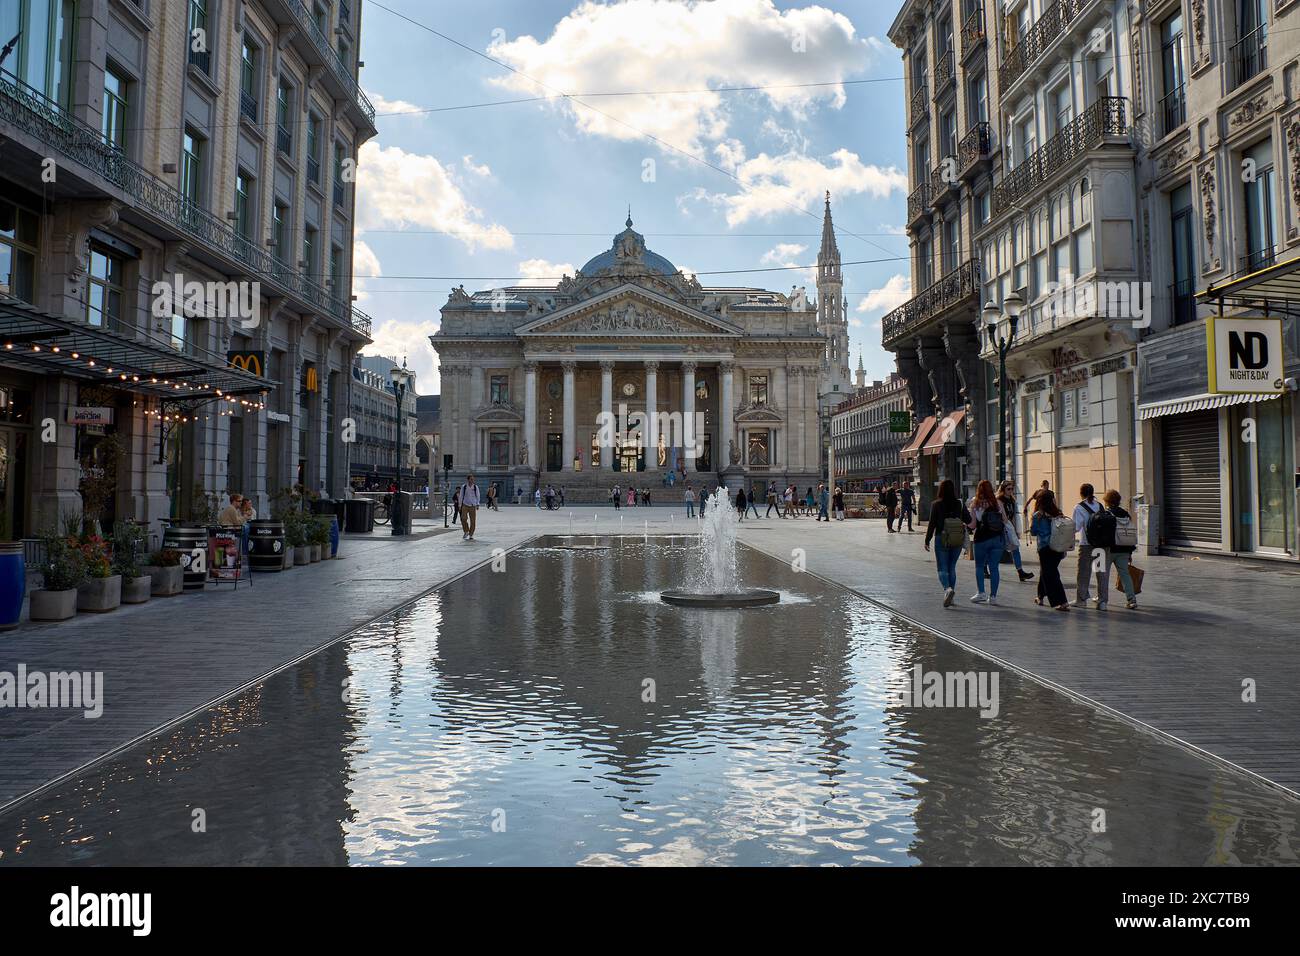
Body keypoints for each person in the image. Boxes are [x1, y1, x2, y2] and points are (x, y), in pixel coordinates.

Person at [924, 478, 972, 608]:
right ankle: (951, 596)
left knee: (942, 567)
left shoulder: (936, 504)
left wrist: (927, 539)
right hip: (957, 538)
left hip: (942, 538)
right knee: (952, 567)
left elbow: (932, 524)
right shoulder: (959, 504)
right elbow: (969, 520)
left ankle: (947, 589)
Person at [1029, 490, 1071, 611]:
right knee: (1046, 571)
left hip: (1045, 548)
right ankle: (1040, 596)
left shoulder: (1038, 515)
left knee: (1050, 574)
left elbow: (1033, 532)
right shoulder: (1058, 513)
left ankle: (1061, 601)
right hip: (1058, 547)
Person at [1073, 483, 1112, 609]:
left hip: (1086, 545)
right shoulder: (1100, 506)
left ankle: (1081, 600)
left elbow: (1076, 527)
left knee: (1084, 573)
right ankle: (1102, 602)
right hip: (1101, 545)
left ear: (1081, 493)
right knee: (1101, 573)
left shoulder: (1079, 508)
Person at [968, 480, 1005, 605]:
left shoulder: (975, 504)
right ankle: (993, 597)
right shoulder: (998, 503)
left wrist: (965, 523)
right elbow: (1004, 520)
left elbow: (973, 525)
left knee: (979, 566)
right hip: (997, 539)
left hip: (981, 539)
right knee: (994, 568)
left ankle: (981, 593)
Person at [1103, 489, 1139, 610]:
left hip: (1109, 550)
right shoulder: (1126, 514)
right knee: (1125, 574)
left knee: (1104, 575)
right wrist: (1129, 552)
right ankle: (1131, 599)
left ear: (1107, 501)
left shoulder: (1106, 514)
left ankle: (1102, 599)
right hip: (1124, 549)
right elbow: (1130, 533)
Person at [997, 480, 1034, 583]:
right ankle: (986, 568)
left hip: (1009, 527)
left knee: (1015, 549)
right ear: (1003, 490)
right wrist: (1009, 528)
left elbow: (1012, 516)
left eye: (1012, 489)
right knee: (998, 550)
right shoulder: (1000, 500)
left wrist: (1013, 529)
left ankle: (1020, 572)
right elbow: (1003, 516)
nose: (1010, 491)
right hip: (1002, 528)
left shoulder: (1012, 500)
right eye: (1008, 489)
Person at [458, 473, 480, 541]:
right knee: (463, 519)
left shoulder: (475, 487)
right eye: (471, 479)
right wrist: (459, 505)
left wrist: (477, 504)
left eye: (473, 479)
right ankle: (466, 531)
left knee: (473, 521)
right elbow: (461, 496)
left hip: (473, 505)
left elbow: (478, 496)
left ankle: (471, 534)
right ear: (468, 480)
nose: (472, 480)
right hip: (465, 504)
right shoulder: (464, 487)